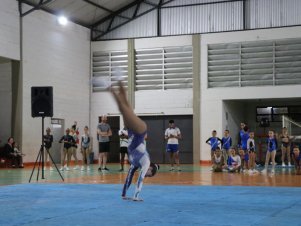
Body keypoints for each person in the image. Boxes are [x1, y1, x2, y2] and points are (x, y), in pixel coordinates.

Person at [111, 81, 159, 201]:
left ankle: (115, 82)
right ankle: (112, 86)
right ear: (151, 169)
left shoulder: (135, 164)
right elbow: (140, 179)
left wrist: (123, 194)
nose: (147, 175)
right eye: (150, 174)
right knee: (124, 108)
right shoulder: (146, 162)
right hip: (140, 132)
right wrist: (136, 197)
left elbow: (129, 177)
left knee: (124, 107)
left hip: (133, 136)